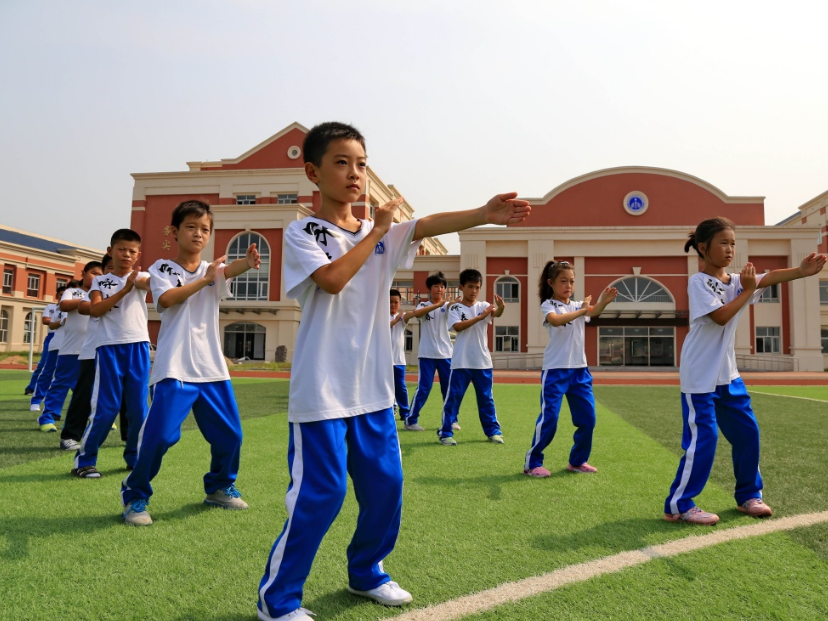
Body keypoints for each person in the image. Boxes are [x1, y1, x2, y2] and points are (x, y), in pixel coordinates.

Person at [256, 122, 530, 621]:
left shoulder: (374, 232)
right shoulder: (303, 232)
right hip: (322, 390)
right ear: (313, 172)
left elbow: (425, 225)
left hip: (375, 389)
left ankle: (367, 572)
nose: (355, 173)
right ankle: (278, 600)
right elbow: (333, 280)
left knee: (386, 485)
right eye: (341, 162)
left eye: (361, 163)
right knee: (323, 494)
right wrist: (379, 231)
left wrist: (483, 214)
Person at [664, 217, 826, 525]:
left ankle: (749, 496)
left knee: (748, 433)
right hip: (700, 376)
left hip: (728, 375)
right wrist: (747, 290)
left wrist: (801, 272)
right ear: (703, 247)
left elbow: (770, 276)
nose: (730, 249)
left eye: (733, 243)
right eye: (723, 243)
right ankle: (679, 504)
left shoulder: (737, 281)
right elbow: (721, 317)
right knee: (705, 439)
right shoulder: (698, 282)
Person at [120, 200, 260, 524]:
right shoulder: (161, 269)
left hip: (211, 368)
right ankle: (134, 495)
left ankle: (220, 487)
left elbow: (228, 270)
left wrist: (249, 263)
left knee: (231, 435)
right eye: (191, 227)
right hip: (174, 367)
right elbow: (167, 301)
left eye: (205, 229)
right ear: (175, 231)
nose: (199, 234)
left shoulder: (213, 270)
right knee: (160, 437)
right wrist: (205, 279)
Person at [523, 260, 617, 477]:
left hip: (580, 371)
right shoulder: (549, 305)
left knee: (588, 419)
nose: (568, 285)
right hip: (556, 371)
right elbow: (556, 321)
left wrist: (604, 302)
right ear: (551, 283)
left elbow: (593, 311)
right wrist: (582, 310)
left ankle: (577, 461)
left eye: (572, 281)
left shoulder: (577, 306)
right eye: (563, 281)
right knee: (550, 419)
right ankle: (532, 463)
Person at [72, 231, 150, 477]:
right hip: (108, 348)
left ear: (138, 255)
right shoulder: (100, 282)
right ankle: (84, 461)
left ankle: (134, 457)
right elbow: (96, 310)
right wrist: (124, 290)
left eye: (132, 251)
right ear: (110, 251)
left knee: (139, 409)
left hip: (138, 347)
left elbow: (152, 285)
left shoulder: (142, 277)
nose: (126, 255)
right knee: (106, 408)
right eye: (121, 249)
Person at [436, 269, 505, 446]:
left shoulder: (483, 306)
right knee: (453, 398)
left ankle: (494, 432)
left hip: (482, 361)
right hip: (461, 362)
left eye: (477, 287)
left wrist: (501, 308)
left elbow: (495, 313)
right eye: (470, 287)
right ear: (461, 287)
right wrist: (480, 317)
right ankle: (445, 433)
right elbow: (457, 327)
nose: (474, 291)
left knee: (486, 399)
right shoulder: (455, 308)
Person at [38, 265, 103, 432]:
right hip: (71, 349)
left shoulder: (103, 292)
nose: (96, 277)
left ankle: (94, 417)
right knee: (60, 383)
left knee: (92, 387)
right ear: (83, 274)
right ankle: (48, 417)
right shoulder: (73, 292)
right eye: (93, 273)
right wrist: (87, 301)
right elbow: (64, 305)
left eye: (101, 274)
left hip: (94, 350)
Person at [59, 253, 112, 451]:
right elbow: (83, 307)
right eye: (109, 269)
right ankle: (70, 435)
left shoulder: (128, 287)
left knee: (128, 397)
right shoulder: (91, 291)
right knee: (83, 393)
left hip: (118, 349)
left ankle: (130, 438)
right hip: (91, 350)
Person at [404, 272, 454, 431]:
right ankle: (411, 421)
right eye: (436, 286)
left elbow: (455, 309)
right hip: (427, 354)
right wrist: (438, 305)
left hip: (446, 354)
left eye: (442, 286)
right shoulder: (423, 305)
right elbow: (417, 314)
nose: (439, 289)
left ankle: (451, 420)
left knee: (448, 389)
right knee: (424, 388)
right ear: (430, 288)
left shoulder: (447, 307)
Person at [29, 284, 69, 413]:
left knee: (77, 376)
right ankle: (36, 399)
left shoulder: (82, 305)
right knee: (45, 368)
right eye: (62, 295)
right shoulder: (55, 308)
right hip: (55, 340)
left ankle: (92, 409)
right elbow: (49, 323)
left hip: (75, 343)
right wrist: (62, 322)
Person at [389, 289, 415, 425]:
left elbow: (410, 315)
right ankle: (390, 408)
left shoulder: (402, 318)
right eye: (390, 302)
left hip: (398, 360)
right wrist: (396, 320)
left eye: (396, 302)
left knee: (400, 387)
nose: (393, 305)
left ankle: (405, 413)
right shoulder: (379, 317)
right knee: (385, 387)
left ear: (400, 304)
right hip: (383, 362)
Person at [24, 300, 59, 396]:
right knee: (43, 364)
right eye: (61, 294)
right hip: (52, 336)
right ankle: (31, 387)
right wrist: (60, 322)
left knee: (63, 367)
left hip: (67, 337)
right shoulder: (51, 307)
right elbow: (45, 320)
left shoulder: (72, 308)